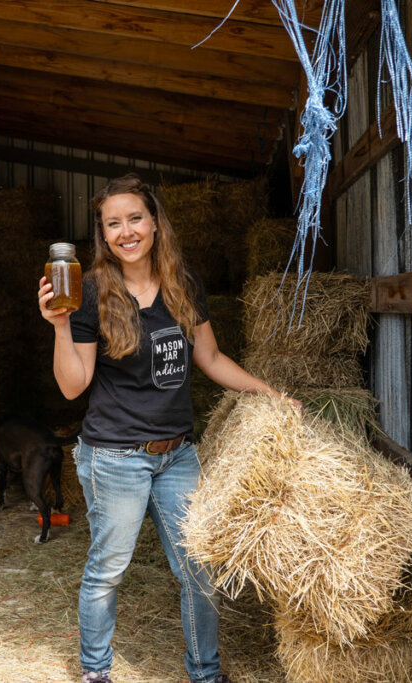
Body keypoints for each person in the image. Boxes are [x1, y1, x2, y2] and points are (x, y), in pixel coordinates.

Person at [37, 174, 299, 683]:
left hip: (178, 454)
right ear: (103, 235)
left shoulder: (183, 282)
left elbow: (212, 358)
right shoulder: (89, 294)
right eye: (113, 223)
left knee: (198, 569)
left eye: (135, 218)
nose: (125, 231)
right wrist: (60, 326)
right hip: (115, 457)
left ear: (155, 222)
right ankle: (95, 673)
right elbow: (73, 387)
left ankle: (206, 672)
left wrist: (268, 393)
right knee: (108, 569)